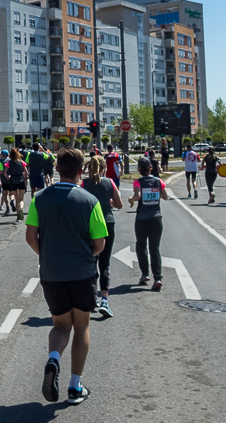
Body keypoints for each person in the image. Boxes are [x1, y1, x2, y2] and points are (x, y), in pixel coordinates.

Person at [25, 148, 109, 405]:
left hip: (52, 274)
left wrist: (48, 255)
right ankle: (75, 387)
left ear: (57, 169)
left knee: (60, 325)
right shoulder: (89, 201)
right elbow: (100, 243)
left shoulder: (40, 198)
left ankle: (53, 359)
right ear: (81, 171)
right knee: (81, 325)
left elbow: (30, 237)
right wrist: (88, 255)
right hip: (82, 273)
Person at [81, 155, 123, 318]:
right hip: (107, 223)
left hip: (89, 225)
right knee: (105, 263)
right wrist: (109, 202)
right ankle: (104, 300)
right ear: (104, 168)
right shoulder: (110, 183)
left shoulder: (83, 184)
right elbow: (119, 204)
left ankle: (91, 298)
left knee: (91, 261)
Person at [129, 156, 169, 291]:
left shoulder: (138, 182)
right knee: (154, 248)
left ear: (139, 169)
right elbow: (165, 197)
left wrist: (131, 199)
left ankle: (145, 274)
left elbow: (137, 196)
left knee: (141, 246)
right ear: (151, 168)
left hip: (142, 219)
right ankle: (158, 277)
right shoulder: (158, 181)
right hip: (156, 218)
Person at [5, 148, 29, 222]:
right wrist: (26, 176)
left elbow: (5, 172)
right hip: (21, 180)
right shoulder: (21, 162)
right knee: (21, 199)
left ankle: (18, 216)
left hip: (13, 180)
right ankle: (21, 208)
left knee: (16, 198)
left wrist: (8, 176)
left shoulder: (9, 163)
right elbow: (26, 172)